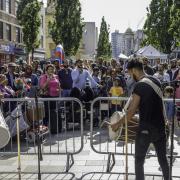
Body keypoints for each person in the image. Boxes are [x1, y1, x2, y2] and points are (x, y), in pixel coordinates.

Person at [110, 59, 170, 180]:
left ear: (133, 71)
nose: (129, 76)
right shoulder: (156, 80)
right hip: (160, 128)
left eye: (129, 73)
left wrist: (117, 123)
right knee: (163, 159)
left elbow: (131, 112)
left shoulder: (139, 86)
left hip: (145, 129)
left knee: (139, 161)